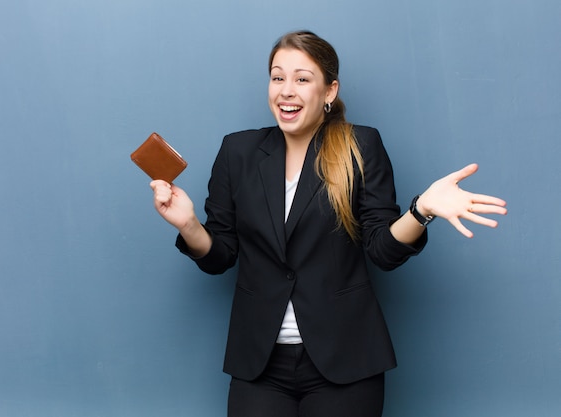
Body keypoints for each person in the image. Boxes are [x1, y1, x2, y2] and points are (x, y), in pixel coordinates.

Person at [149, 30, 507, 417]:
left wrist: (421, 211)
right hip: (258, 365)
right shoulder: (238, 152)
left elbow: (382, 251)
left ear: (329, 91)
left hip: (346, 361)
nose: (286, 90)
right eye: (277, 77)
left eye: (302, 79)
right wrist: (187, 225)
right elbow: (219, 255)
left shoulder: (361, 146)